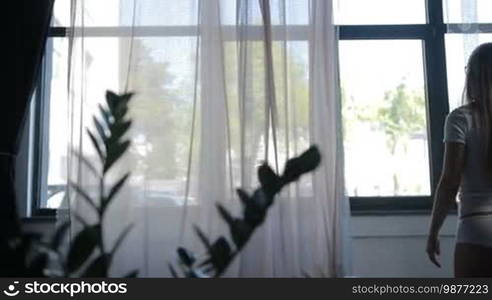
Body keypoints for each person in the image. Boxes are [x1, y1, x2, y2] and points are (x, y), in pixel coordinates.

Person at [427, 43, 492, 277]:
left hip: (475, 228)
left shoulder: (460, 119)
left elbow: (449, 181)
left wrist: (433, 231)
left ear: (473, 76)